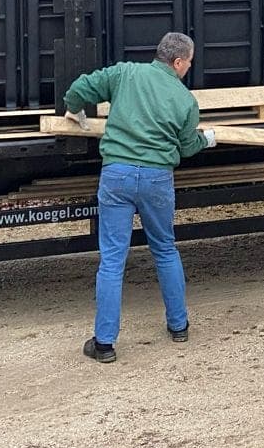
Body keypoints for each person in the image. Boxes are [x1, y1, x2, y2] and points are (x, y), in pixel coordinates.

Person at [63, 31, 215, 363]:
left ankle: (104, 344)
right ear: (177, 62)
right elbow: (187, 146)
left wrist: (74, 110)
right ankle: (179, 326)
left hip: (116, 176)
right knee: (164, 249)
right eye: (189, 62)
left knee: (113, 260)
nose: (189, 68)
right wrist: (208, 140)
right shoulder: (185, 100)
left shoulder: (125, 73)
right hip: (156, 180)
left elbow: (80, 88)